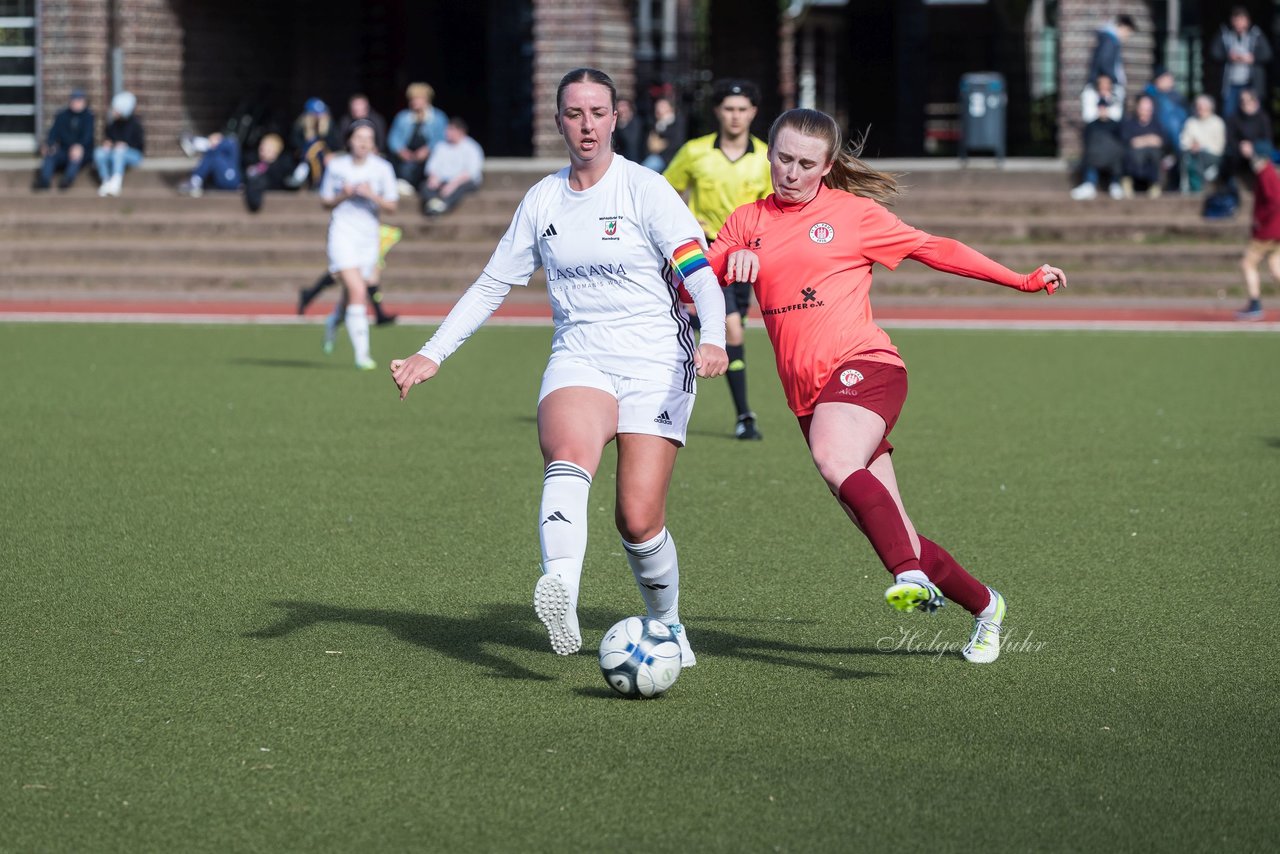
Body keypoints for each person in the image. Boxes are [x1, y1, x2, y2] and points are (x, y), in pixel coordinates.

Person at [389, 68, 729, 665]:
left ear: (616, 118)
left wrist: (712, 336)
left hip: (656, 357)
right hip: (580, 353)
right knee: (567, 456)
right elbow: (494, 281)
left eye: (598, 112)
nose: (587, 124)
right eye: (574, 114)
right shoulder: (543, 199)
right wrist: (431, 351)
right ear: (558, 122)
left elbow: (698, 271)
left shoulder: (645, 190)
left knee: (637, 516)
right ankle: (563, 595)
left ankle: (668, 622)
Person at [707, 108, 1065, 664]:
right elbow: (694, 284)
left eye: (806, 163)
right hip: (809, 396)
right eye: (783, 158)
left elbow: (936, 248)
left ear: (826, 167)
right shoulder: (745, 220)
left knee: (834, 457)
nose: (792, 172)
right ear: (768, 152)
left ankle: (909, 576)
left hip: (867, 365)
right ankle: (986, 606)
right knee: (896, 531)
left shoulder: (853, 215)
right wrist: (731, 258)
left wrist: (1020, 279)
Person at [664, 79, 773, 440]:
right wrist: (683, 221)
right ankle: (745, 416)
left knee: (732, 331)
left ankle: (691, 323)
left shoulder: (767, 157)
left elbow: (775, 210)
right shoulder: (695, 152)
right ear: (717, 111)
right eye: (729, 108)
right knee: (732, 329)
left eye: (743, 109)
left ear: (754, 113)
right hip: (705, 252)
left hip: (745, 256)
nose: (736, 116)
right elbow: (663, 195)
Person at [318, 119, 398, 370]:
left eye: (368, 138)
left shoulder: (382, 168)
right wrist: (346, 193)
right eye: (358, 137)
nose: (363, 142)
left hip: (368, 237)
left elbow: (392, 205)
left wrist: (370, 194)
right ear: (349, 140)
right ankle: (362, 355)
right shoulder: (337, 166)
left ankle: (333, 321)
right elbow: (325, 201)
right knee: (358, 291)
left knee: (354, 291)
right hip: (342, 234)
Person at [298, 223, 401, 327]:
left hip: (362, 236)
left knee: (362, 279)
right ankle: (310, 295)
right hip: (352, 236)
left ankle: (378, 313)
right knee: (341, 274)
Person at [1235, 139, 1278, 321]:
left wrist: (1260, 220)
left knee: (1247, 264)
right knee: (1275, 267)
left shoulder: (1266, 174)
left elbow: (1274, 201)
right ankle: (1254, 303)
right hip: (1274, 230)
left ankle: (1255, 303)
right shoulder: (1266, 173)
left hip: (1268, 231)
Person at [1070, 74, 1126, 200]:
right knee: (1091, 152)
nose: (1103, 110)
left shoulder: (1115, 124)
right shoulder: (1092, 125)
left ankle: (1115, 184)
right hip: (1095, 154)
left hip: (1112, 155)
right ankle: (1089, 184)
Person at [387, 82, 448, 196]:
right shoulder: (403, 117)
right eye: (412, 99)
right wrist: (401, 151)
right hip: (407, 155)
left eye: (418, 98)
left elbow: (441, 139)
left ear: (427, 100)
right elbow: (393, 139)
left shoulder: (438, 118)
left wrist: (427, 150)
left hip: (429, 156)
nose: (414, 102)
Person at [1211, 6, 1272, 120]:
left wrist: (1252, 58)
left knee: (1254, 115)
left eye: (1241, 19)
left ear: (1247, 21)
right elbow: (1214, 53)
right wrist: (1228, 56)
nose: (1239, 23)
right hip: (1231, 84)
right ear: (1232, 21)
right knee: (1229, 114)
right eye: (1236, 20)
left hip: (1250, 83)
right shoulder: (1225, 35)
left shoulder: (1256, 35)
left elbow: (1267, 54)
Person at [420, 117, 485, 216]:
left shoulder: (472, 147)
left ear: (461, 131)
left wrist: (453, 184)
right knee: (425, 185)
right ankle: (434, 203)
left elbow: (471, 172)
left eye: (451, 129)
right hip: (442, 181)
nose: (447, 132)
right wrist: (434, 178)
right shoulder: (441, 146)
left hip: (462, 182)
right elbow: (431, 167)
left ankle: (443, 205)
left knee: (461, 188)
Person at [34, 88, 94, 191]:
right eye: (74, 100)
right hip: (64, 149)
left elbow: (87, 137)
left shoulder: (88, 117)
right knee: (50, 153)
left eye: (79, 100)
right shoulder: (62, 116)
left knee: (76, 153)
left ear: (84, 102)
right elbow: (53, 133)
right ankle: (44, 180)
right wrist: (50, 144)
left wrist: (79, 146)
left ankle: (67, 180)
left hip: (82, 152)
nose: (76, 103)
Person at [1143, 68, 1189, 190]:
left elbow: (1186, 116)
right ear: (1157, 81)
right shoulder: (1150, 97)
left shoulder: (1178, 97)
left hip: (1179, 137)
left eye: (1170, 79)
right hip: (1160, 135)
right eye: (1166, 79)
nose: (1170, 81)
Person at [94, 91, 144, 198]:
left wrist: (125, 145)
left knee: (119, 152)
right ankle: (106, 181)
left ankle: (116, 182)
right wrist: (108, 144)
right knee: (99, 152)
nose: (113, 111)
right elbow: (110, 139)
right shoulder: (113, 125)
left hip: (132, 154)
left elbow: (139, 145)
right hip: (114, 152)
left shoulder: (135, 124)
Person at [1224, 87, 1273, 192]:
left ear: (1255, 102)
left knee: (1265, 149)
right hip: (1239, 152)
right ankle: (1231, 188)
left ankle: (1263, 184)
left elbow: (1267, 139)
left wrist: (1252, 146)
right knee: (1229, 155)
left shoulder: (1263, 118)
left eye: (1248, 100)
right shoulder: (1233, 118)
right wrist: (1241, 146)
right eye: (1242, 101)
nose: (1245, 103)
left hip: (1256, 151)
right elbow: (1229, 138)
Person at [1120, 93, 1167, 197]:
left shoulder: (1157, 124)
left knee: (1155, 154)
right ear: (1137, 107)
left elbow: (1160, 141)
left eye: (1148, 109)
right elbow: (1132, 142)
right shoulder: (1129, 123)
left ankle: (1155, 185)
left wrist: (1141, 141)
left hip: (1151, 158)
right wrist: (1149, 139)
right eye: (1143, 108)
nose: (1146, 111)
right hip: (1134, 158)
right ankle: (1127, 184)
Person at [288, 98, 340, 189]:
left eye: (320, 114)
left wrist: (322, 129)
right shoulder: (300, 127)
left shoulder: (330, 126)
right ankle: (314, 181)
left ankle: (302, 173)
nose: (318, 117)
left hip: (325, 157)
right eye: (315, 114)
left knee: (316, 147)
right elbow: (295, 144)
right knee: (312, 147)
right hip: (306, 157)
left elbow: (334, 146)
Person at [1180, 95, 1227, 193]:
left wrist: (1202, 147)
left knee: (1198, 158)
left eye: (1203, 106)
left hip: (1213, 155)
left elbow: (1219, 147)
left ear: (1210, 107)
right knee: (1187, 157)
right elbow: (1183, 142)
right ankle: (1188, 189)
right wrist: (1191, 146)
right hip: (1192, 153)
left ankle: (1197, 189)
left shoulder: (1218, 122)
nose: (1200, 108)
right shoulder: (1191, 122)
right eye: (1198, 106)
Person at [1087, 14, 1136, 104]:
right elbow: (1104, 63)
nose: (1127, 36)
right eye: (1128, 31)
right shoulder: (1109, 41)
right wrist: (1115, 80)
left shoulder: (1108, 40)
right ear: (1122, 26)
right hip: (1107, 89)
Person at [243, 133, 296, 213]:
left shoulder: (281, 166)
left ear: (276, 152)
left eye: (268, 150)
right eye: (261, 149)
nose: (263, 152)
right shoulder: (253, 162)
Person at [176, 132, 242, 196]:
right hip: (227, 182)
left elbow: (217, 145)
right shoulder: (222, 151)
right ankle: (194, 142)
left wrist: (211, 142)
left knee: (213, 155)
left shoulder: (231, 143)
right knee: (213, 153)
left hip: (231, 180)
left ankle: (194, 143)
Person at [641, 95, 684, 171]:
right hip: (654, 156)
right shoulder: (654, 123)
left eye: (662, 106)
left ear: (670, 109)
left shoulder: (676, 122)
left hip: (667, 158)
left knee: (647, 167)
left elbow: (676, 142)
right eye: (657, 106)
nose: (658, 109)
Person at [613, 97, 646, 162]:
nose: (622, 109)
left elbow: (631, 142)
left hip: (638, 159)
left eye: (624, 106)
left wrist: (622, 125)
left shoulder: (637, 123)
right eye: (619, 106)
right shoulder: (616, 125)